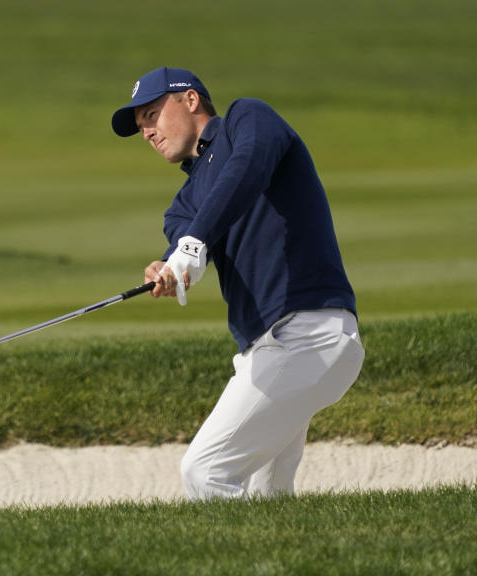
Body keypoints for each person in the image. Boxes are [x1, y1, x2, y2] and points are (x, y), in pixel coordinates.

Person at [111, 67, 364, 500]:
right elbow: (189, 248)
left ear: (190, 100)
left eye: (152, 114)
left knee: (203, 471)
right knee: (268, 499)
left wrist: (192, 244)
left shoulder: (249, 119)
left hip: (307, 335)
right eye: (140, 128)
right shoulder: (182, 206)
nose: (147, 132)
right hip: (263, 353)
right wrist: (173, 267)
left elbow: (248, 167)